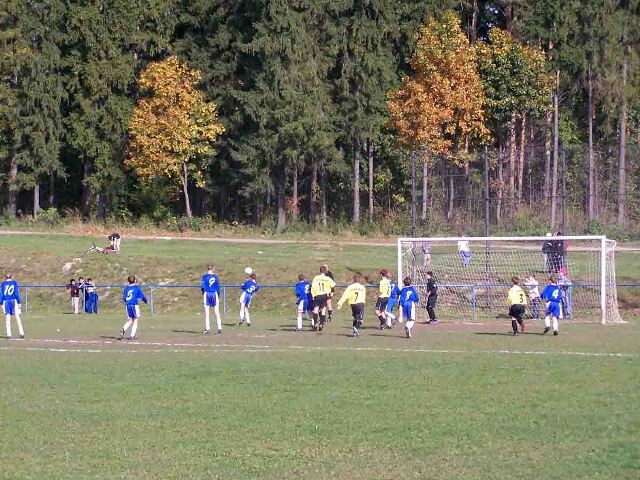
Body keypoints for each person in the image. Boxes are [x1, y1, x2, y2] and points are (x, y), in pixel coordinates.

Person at [119, 275, 147, 340]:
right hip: (134, 305)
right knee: (135, 320)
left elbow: (124, 297)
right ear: (135, 281)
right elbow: (141, 296)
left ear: (128, 281)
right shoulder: (136, 288)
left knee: (130, 319)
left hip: (128, 305)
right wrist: (146, 301)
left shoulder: (126, 288)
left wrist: (127, 301)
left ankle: (123, 328)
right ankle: (132, 335)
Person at [311, 265, 336, 331]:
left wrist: (313, 295)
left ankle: (315, 323)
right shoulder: (327, 278)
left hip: (317, 294)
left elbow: (313, 287)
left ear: (320, 271)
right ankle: (321, 324)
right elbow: (333, 285)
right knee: (323, 309)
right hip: (324, 295)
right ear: (325, 272)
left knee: (316, 309)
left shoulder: (316, 278)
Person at [1, 273, 24, 339]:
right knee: (17, 317)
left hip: (6, 301)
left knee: (8, 318)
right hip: (14, 301)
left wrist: (1, 302)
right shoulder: (14, 283)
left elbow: (2, 294)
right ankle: (21, 333)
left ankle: (9, 334)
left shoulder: (3, 284)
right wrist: (19, 302)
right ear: (11, 277)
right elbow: (16, 293)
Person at [201, 264, 222, 334]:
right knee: (216, 311)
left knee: (207, 312)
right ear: (213, 269)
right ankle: (219, 328)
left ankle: (207, 328)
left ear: (208, 269)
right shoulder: (216, 277)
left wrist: (203, 294)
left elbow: (203, 287)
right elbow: (218, 288)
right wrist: (218, 295)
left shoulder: (204, 277)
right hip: (214, 294)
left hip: (207, 294)